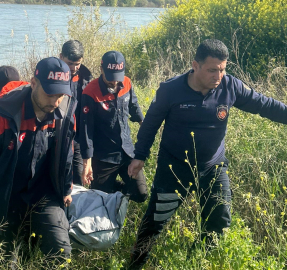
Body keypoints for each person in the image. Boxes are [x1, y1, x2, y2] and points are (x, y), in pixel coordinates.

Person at [127, 39, 287, 269]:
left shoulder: (231, 87)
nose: (218, 76)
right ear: (195, 65)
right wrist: (139, 155)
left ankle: (195, 262)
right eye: (212, 70)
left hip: (213, 167)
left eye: (222, 69)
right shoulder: (170, 90)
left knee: (219, 220)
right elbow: (150, 123)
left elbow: (264, 105)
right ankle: (135, 264)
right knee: (155, 222)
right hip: (174, 169)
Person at [0, 57, 76, 261]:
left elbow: (66, 153)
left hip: (44, 192)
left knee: (61, 254)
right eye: (50, 94)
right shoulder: (2, 113)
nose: (55, 101)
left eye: (61, 95)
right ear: (34, 84)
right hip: (7, 196)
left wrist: (67, 188)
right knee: (9, 261)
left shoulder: (64, 110)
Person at [80, 51, 148, 203]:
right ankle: (109, 189)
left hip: (126, 152)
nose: (114, 83)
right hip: (104, 156)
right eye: (110, 78)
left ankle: (114, 192)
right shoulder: (90, 92)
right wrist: (87, 163)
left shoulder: (127, 83)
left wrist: (144, 123)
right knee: (98, 198)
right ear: (101, 69)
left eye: (118, 78)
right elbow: (86, 131)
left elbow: (134, 106)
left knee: (141, 194)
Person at [60, 40, 92, 186]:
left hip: (78, 137)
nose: (73, 68)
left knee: (79, 180)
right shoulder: (53, 78)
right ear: (61, 57)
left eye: (77, 63)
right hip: (58, 137)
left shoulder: (86, 80)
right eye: (69, 63)